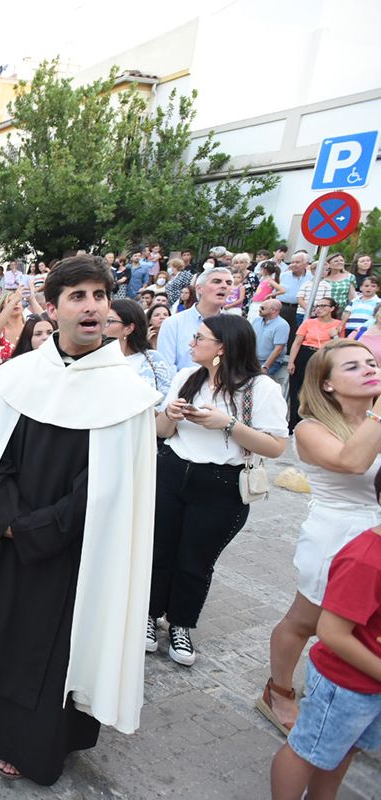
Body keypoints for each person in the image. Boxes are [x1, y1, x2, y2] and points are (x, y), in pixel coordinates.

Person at [0, 255, 160, 785]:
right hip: (7, 541)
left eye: (99, 296)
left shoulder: (126, 393)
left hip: (73, 551)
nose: (92, 306)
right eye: (78, 296)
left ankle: (31, 746)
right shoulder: (19, 377)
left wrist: (35, 530)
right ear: (51, 309)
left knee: (47, 647)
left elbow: (106, 488)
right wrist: (7, 522)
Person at [259, 341, 381, 735]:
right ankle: (278, 691)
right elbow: (352, 462)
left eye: (371, 362)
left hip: (375, 535)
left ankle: (344, 697)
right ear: (326, 384)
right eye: (352, 367)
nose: (367, 369)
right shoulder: (311, 428)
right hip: (337, 534)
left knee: (364, 625)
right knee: (306, 620)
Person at [152, 314, 288, 666]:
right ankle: (148, 617)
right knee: (159, 551)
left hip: (221, 485)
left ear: (222, 348)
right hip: (171, 472)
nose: (191, 344)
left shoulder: (261, 389)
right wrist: (172, 413)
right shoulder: (187, 377)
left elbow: (275, 446)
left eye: (199, 338)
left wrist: (227, 424)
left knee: (195, 560)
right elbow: (162, 432)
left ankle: (181, 623)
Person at [268, 478, 381, 800]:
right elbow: (331, 633)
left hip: (372, 687)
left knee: (342, 750)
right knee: (307, 751)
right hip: (344, 686)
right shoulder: (367, 560)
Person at [156, 267, 233, 372]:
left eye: (228, 283)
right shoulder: (173, 323)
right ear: (199, 288)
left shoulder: (233, 325)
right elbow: (165, 367)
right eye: (216, 282)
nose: (224, 286)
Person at [288, 298, 345, 432]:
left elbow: (340, 344)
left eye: (323, 306)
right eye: (317, 306)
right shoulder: (308, 322)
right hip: (304, 354)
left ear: (332, 308)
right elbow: (297, 343)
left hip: (323, 356)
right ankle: (293, 423)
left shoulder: (338, 324)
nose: (318, 309)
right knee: (296, 388)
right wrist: (291, 361)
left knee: (317, 389)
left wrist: (335, 335)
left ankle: (312, 423)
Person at [105, 299, 175, 402]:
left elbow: (166, 400)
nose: (102, 325)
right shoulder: (95, 359)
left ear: (129, 328)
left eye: (109, 321)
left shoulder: (153, 359)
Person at [298, 252, 357, 319]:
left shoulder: (349, 277)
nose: (339, 262)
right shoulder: (321, 277)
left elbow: (352, 297)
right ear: (329, 264)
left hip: (339, 310)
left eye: (341, 260)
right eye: (336, 261)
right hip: (321, 309)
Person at [277, 252, 313, 347]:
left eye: (297, 262)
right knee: (280, 330)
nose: (293, 265)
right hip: (282, 307)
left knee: (295, 332)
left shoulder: (312, 277)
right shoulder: (283, 275)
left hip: (300, 309)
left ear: (306, 263)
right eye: (292, 262)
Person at [252, 299, 291, 381]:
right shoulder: (256, 321)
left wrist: (266, 366)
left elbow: (278, 349)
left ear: (273, 310)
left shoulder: (282, 325)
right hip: (254, 359)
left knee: (259, 383)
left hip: (271, 362)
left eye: (262, 308)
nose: (259, 310)